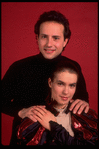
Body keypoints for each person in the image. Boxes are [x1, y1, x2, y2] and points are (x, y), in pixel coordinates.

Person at [2, 10, 89, 144]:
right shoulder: (19, 67)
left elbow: (82, 97)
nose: (49, 44)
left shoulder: (73, 67)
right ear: (37, 38)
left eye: (56, 38)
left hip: (61, 140)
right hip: (24, 140)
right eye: (44, 37)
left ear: (65, 41)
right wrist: (21, 112)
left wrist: (83, 102)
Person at [16, 60, 98, 145]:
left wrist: (53, 126)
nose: (66, 92)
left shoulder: (87, 116)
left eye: (72, 85)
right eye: (61, 84)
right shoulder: (34, 118)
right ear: (50, 83)